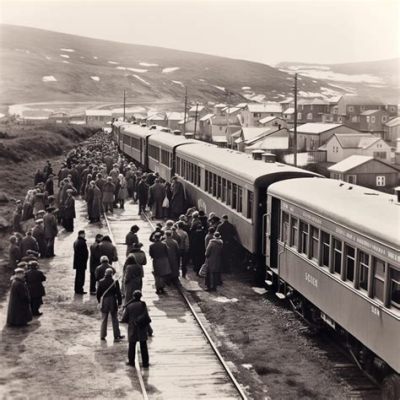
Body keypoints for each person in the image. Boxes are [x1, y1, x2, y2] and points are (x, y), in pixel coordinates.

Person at [121, 290, 151, 368]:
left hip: (133, 328)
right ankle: (145, 362)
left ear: (133, 296)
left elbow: (124, 318)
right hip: (142, 327)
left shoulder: (129, 306)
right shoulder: (143, 304)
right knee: (143, 346)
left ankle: (131, 361)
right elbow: (146, 316)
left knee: (132, 345)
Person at [96, 268, 124, 341]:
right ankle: (116, 335)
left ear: (105, 273)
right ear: (112, 274)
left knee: (104, 318)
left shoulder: (101, 282)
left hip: (105, 300)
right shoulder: (114, 282)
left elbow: (98, 294)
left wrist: (99, 301)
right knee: (114, 318)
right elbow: (118, 293)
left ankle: (102, 335)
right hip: (112, 300)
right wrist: (120, 302)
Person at [73, 230, 88, 294]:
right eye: (83, 234)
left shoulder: (76, 241)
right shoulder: (82, 242)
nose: (84, 235)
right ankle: (79, 289)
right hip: (81, 262)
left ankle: (77, 289)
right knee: (81, 277)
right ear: (80, 234)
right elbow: (83, 253)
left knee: (78, 276)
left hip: (78, 262)